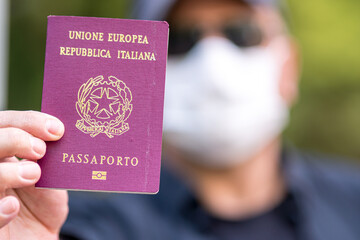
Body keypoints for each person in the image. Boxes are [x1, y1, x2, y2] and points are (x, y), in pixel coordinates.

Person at [1, 0, 360, 239]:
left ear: (289, 68)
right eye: (180, 41)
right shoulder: (71, 226)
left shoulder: (354, 201)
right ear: (137, 77)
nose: (213, 60)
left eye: (242, 34)